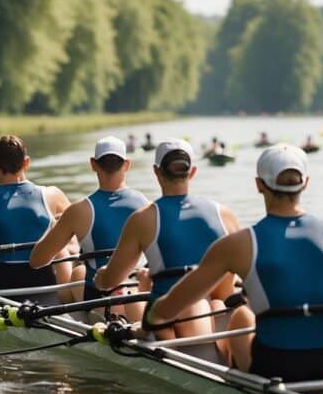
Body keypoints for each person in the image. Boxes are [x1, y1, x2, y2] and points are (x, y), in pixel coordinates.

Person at [145, 144, 323, 380]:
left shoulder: (238, 245)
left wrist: (153, 316)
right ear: (305, 183)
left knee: (241, 316)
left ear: (259, 184)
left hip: (279, 364)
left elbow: (171, 308)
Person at [93, 139, 241, 358]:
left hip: (169, 323)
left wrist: (100, 277)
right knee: (220, 301)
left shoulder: (144, 219)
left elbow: (111, 281)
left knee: (132, 294)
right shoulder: (225, 214)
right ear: (192, 172)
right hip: (214, 313)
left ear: (156, 172)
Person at [29, 136, 148, 314]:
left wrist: (56, 225)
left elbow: (37, 260)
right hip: (141, 292)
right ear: (127, 164)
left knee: (78, 273)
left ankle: (75, 318)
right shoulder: (148, 205)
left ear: (93, 164)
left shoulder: (79, 210)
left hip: (101, 298)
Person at [0, 135, 71, 303]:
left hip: (2, 285)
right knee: (62, 248)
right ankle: (67, 299)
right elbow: (76, 230)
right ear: (27, 163)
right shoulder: (52, 194)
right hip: (44, 282)